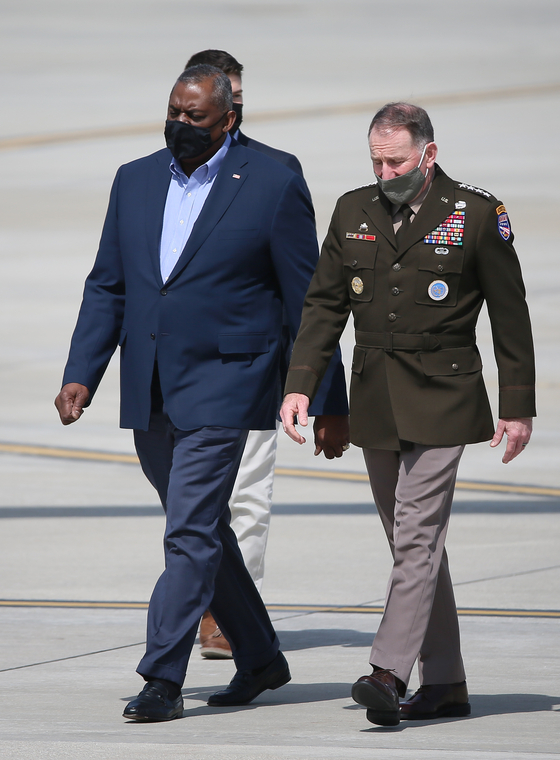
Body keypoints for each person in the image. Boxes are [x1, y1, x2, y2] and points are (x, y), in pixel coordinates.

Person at [55, 65, 348, 722]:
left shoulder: (272, 179)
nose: (180, 127)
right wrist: (83, 371)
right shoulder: (134, 179)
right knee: (204, 529)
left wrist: (330, 399)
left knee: (187, 531)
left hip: (228, 381)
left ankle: (162, 673)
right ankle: (263, 655)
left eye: (195, 118)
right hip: (150, 382)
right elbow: (109, 284)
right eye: (174, 114)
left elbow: (310, 299)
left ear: (228, 120)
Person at [280, 102, 535, 728]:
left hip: (445, 394)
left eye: (396, 160)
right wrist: (300, 387)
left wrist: (517, 406)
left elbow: (511, 313)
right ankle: (445, 682)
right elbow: (322, 308)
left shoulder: (475, 213)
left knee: (417, 537)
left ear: (429, 153)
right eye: (376, 160)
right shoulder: (352, 210)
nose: (385, 170)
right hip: (376, 397)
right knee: (413, 546)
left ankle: (388, 672)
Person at [184, 49, 309, 659]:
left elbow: (303, 290)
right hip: (179, 374)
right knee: (191, 502)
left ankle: (230, 616)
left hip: (252, 366)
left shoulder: (273, 172)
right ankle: (203, 600)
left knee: (248, 493)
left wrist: (310, 381)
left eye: (238, 97)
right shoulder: (157, 175)